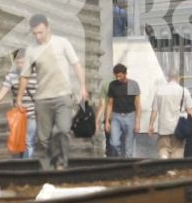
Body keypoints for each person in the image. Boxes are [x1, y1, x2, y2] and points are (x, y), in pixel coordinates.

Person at [24, 13, 87, 171]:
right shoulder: (31, 50)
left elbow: (76, 65)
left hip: (63, 96)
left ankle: (60, 165)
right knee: (43, 138)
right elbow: (24, 75)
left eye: (41, 32)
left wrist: (83, 87)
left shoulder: (62, 43)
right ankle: (48, 168)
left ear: (48, 28)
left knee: (62, 130)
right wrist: (19, 98)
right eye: (35, 33)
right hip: (42, 99)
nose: (38, 36)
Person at [96, 62, 141, 157]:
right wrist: (107, 121)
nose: (118, 78)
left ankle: (127, 165)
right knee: (114, 143)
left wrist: (137, 121)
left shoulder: (132, 84)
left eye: (120, 76)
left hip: (130, 115)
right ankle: (119, 158)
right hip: (116, 116)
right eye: (116, 76)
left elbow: (137, 105)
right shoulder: (113, 85)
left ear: (125, 74)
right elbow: (110, 103)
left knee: (129, 145)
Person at [149, 70, 192, 160]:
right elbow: (190, 111)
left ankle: (164, 162)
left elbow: (154, 110)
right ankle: (175, 170)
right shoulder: (184, 91)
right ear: (178, 78)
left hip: (163, 127)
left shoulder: (159, 91)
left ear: (168, 78)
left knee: (163, 148)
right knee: (177, 150)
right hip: (179, 128)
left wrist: (151, 125)